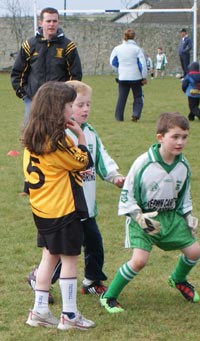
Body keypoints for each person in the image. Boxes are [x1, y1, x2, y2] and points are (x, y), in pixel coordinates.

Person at [26, 80, 127, 302]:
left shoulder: (90, 133)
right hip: (65, 208)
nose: (84, 109)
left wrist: (115, 176)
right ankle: (40, 280)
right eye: (78, 104)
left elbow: (101, 159)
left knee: (94, 245)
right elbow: (80, 161)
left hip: (86, 207)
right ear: (63, 106)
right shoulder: (58, 136)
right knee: (61, 254)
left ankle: (92, 280)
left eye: (88, 104)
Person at [100, 112, 200, 314]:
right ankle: (108, 296)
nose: (180, 142)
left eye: (184, 137)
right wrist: (138, 216)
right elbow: (127, 196)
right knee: (139, 261)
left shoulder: (183, 165)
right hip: (142, 217)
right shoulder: (143, 163)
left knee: (194, 252)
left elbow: (183, 196)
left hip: (170, 217)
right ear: (160, 137)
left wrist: (188, 215)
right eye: (175, 136)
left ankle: (178, 280)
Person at [22, 81, 95, 330]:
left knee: (48, 258)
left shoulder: (33, 136)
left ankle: (40, 311)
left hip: (42, 210)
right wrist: (81, 136)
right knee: (70, 260)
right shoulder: (57, 141)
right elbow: (83, 161)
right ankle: (70, 315)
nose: (71, 110)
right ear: (56, 109)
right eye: (69, 105)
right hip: (63, 210)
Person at [11, 7, 82, 126]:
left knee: (58, 134)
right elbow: (18, 72)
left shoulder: (68, 46)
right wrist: (24, 94)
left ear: (59, 22)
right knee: (32, 135)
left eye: (54, 21)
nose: (51, 24)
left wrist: (66, 96)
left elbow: (75, 75)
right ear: (41, 23)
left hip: (58, 101)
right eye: (48, 21)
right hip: (33, 99)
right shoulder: (30, 45)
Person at [110, 28, 148, 122]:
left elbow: (112, 62)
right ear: (134, 37)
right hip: (135, 77)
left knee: (121, 98)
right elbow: (142, 64)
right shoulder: (137, 49)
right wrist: (144, 77)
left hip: (123, 77)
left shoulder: (117, 49)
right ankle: (135, 114)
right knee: (138, 96)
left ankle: (119, 117)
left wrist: (120, 69)